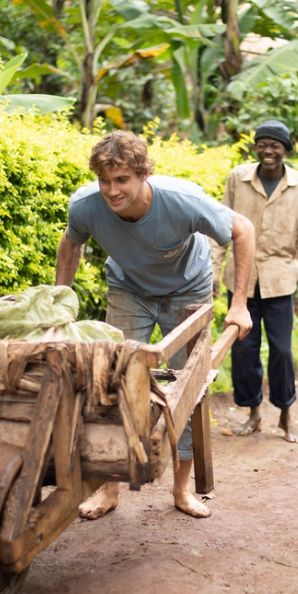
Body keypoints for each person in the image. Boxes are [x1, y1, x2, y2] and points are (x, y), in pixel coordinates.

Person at [55, 131, 255, 519]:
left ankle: (181, 491)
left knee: (187, 388)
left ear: (145, 173)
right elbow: (71, 242)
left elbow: (242, 230)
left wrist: (240, 304)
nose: (112, 191)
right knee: (112, 380)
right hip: (129, 288)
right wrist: (59, 300)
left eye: (122, 180)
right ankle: (109, 490)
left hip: (187, 291)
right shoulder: (85, 206)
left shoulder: (182, 200)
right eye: (105, 181)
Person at [211, 120, 298, 444]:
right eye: (263, 144)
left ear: (285, 150)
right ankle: (253, 414)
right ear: (256, 147)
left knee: (282, 351)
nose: (268, 151)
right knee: (244, 348)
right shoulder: (237, 179)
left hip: (281, 281)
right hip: (241, 279)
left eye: (275, 145)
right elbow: (220, 227)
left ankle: (285, 416)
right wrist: (213, 272)